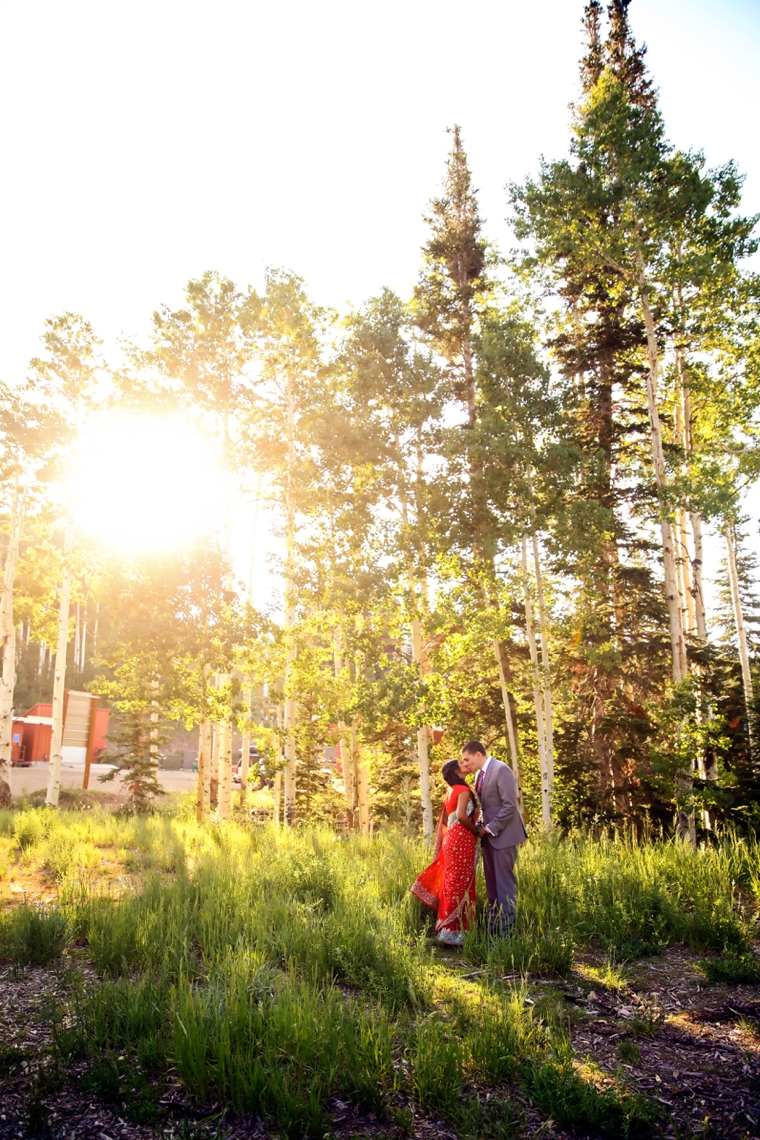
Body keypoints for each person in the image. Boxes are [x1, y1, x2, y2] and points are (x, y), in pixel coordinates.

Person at [460, 740, 526, 937]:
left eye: (467, 759)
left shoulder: (501, 769)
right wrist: (480, 826)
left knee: (504, 885)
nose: (466, 764)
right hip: (488, 837)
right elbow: (487, 807)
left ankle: (506, 935)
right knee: (492, 886)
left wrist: (490, 828)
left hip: (504, 836)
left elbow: (509, 805)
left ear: (478, 754)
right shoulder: (479, 775)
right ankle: (493, 929)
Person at [410, 758, 480, 946]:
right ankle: (456, 933)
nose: (466, 764)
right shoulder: (464, 790)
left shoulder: (451, 791)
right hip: (462, 838)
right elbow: (461, 816)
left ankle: (446, 930)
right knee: (461, 882)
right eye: (462, 764)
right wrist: (477, 831)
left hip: (451, 839)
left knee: (453, 882)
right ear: (457, 773)